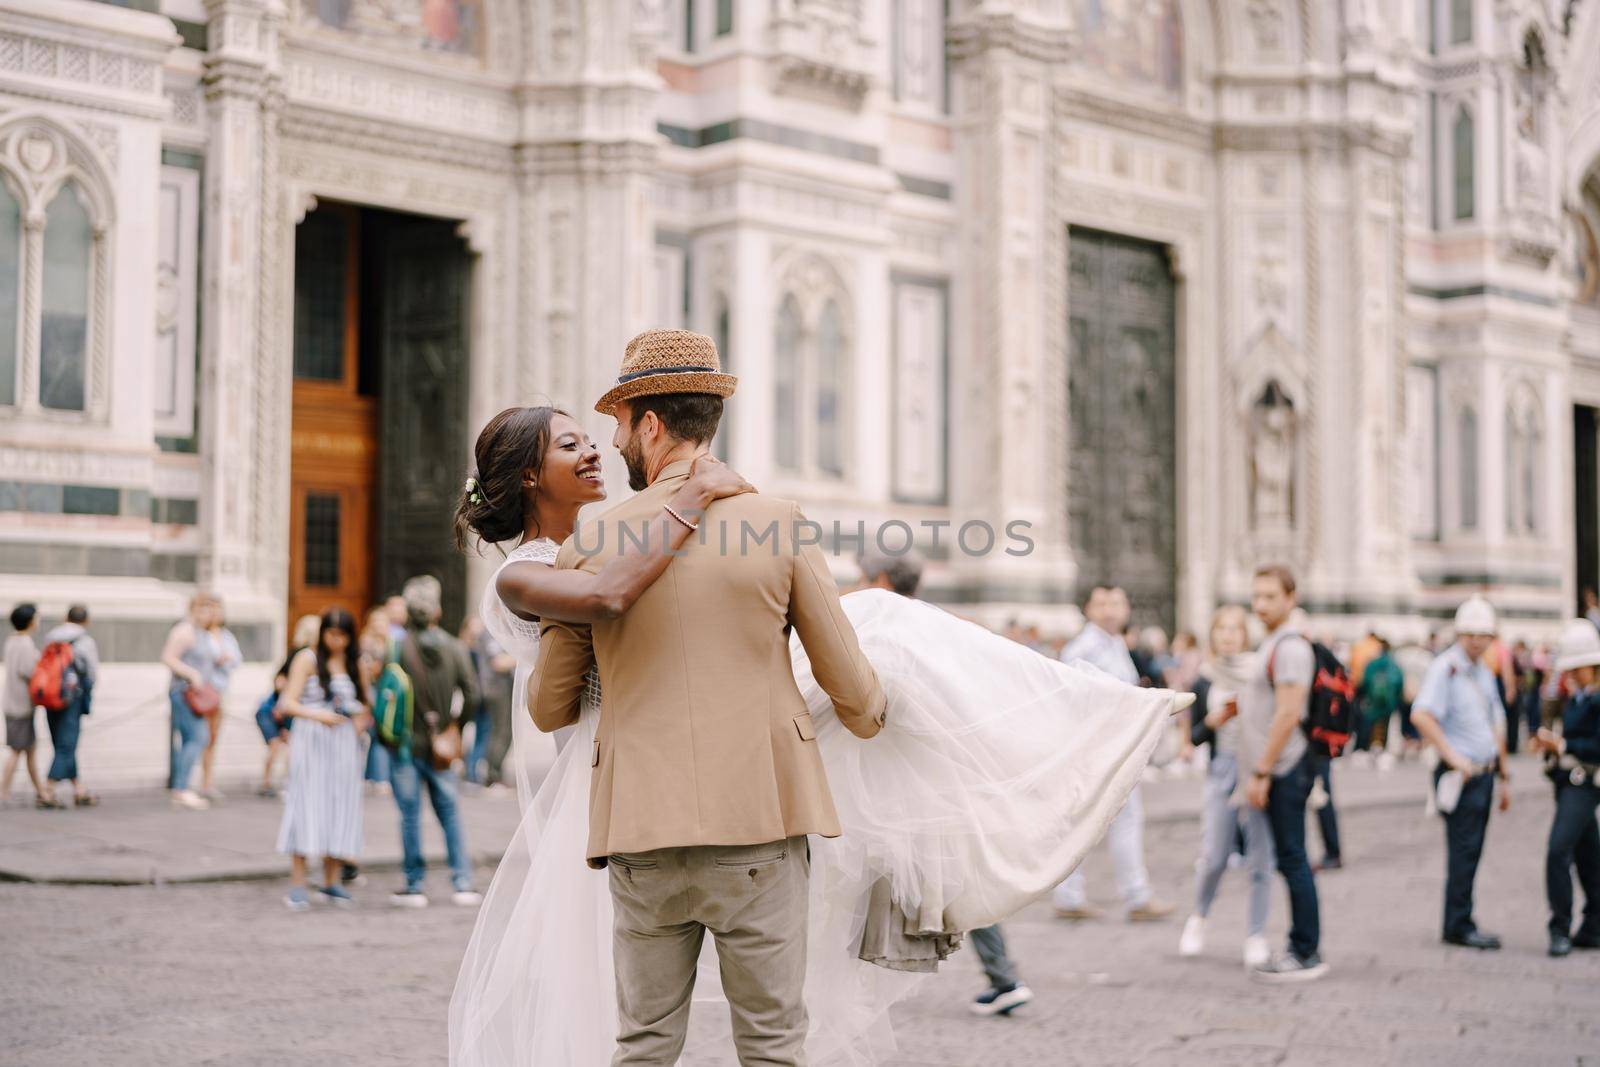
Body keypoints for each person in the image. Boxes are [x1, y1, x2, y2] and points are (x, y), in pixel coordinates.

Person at [449, 340, 1188, 1063]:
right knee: (772, 1044)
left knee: (643, 1043)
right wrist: (879, 715)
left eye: (613, 427)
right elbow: (852, 686)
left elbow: (549, 706)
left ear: (648, 424)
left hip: (638, 827)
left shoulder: (590, 541)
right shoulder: (776, 522)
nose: (609, 446)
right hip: (759, 827)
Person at [856, 546, 1035, 1018]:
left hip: (903, 778)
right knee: (955, 877)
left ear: (878, 580)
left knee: (868, 869)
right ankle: (1003, 976)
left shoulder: (881, 628)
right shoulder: (941, 626)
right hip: (944, 776)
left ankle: (855, 983)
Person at [1053, 585, 1174, 923]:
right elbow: (1074, 700)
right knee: (1092, 821)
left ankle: (1118, 895)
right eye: (1102, 603)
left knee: (1117, 820)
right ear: (1089, 609)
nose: (1110, 610)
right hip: (1096, 752)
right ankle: (1093, 895)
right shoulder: (1084, 648)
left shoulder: (1116, 643)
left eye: (1117, 603)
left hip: (1116, 749)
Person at [1241, 565, 1328, 982]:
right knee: (1290, 857)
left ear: (1290, 599)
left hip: (1287, 767)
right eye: (1256, 596)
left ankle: (1305, 950)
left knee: (1293, 859)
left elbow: (1289, 713)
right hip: (1281, 766)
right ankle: (1302, 946)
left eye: (1270, 597)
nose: (1260, 604)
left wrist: (1263, 770)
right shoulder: (1273, 642)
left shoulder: (1290, 647)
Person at [1409, 595, 1510, 951]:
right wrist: (1452, 757)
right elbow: (1421, 715)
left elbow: (1496, 721)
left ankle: (1461, 918)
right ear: (1460, 633)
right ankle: (1458, 924)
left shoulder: (1483, 670)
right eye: (1471, 634)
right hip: (1462, 775)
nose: (1478, 641)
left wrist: (1504, 775)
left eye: (1484, 635)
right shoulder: (1445, 668)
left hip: (1483, 773)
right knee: (1463, 850)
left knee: (1472, 849)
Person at [1179, 604, 1274, 968]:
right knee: (1214, 855)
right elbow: (1197, 736)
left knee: (1261, 856)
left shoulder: (1260, 673)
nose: (1229, 635)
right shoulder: (1205, 678)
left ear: (1245, 635)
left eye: (1235, 629)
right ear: (1213, 635)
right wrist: (1213, 721)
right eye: (1222, 629)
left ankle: (1256, 935)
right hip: (1221, 770)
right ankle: (1198, 919)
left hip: (1256, 768)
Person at [385, 574, 481, 908]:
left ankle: (414, 885)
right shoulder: (455, 648)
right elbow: (473, 694)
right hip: (441, 743)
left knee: (410, 814)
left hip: (407, 744)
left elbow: (386, 695)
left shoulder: (396, 647)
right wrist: (455, 725)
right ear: (437, 611)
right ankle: (462, 881)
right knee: (450, 813)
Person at [275, 608, 369, 911]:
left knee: (340, 807)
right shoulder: (307, 658)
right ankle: (299, 883)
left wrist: (358, 721)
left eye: (343, 636)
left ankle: (332, 881)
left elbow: (366, 705)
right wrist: (317, 714)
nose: (337, 641)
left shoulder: (356, 663)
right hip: (312, 739)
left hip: (344, 743)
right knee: (306, 804)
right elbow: (287, 702)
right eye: (332, 634)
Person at [1533, 620, 1600, 957]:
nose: (1571, 675)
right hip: (1567, 781)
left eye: (1577, 669)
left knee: (1558, 850)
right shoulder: (1577, 697)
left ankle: (1559, 926)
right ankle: (1595, 924)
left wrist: (1562, 744)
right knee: (1588, 854)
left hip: (1584, 782)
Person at [39, 604, 98, 808]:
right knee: (67, 744)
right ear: (86, 620)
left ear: (66, 617)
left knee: (62, 742)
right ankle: (46, 790)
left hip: (50, 694)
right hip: (72, 697)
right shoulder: (85, 641)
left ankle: (78, 789)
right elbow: (92, 672)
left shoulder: (51, 636)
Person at [256, 614, 320, 798]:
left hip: (290, 709)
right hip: (276, 710)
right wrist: (285, 699)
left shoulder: (309, 655)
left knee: (289, 746)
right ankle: (268, 781)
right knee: (277, 745)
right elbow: (280, 680)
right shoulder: (302, 655)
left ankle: (289, 782)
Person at [197, 608, 243, 800]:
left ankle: (208, 782)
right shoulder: (200, 635)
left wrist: (225, 658)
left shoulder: (227, 637)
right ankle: (201, 781)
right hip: (204, 690)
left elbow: (236, 660)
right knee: (203, 737)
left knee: (213, 737)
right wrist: (218, 659)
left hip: (221, 690)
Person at [3, 604, 45, 807]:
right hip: (21, 706)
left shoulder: (12, 640)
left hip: (12, 703)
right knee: (19, 749)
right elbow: (30, 671)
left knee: (29, 749)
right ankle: (3, 791)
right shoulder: (25, 643)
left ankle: (41, 790)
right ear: (30, 621)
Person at [1358, 639, 1405, 762]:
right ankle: (1381, 747)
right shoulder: (1394, 665)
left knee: (1371, 723)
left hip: (1373, 701)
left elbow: (1365, 681)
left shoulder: (1372, 664)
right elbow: (1399, 683)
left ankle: (1370, 746)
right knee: (1385, 724)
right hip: (1388, 702)